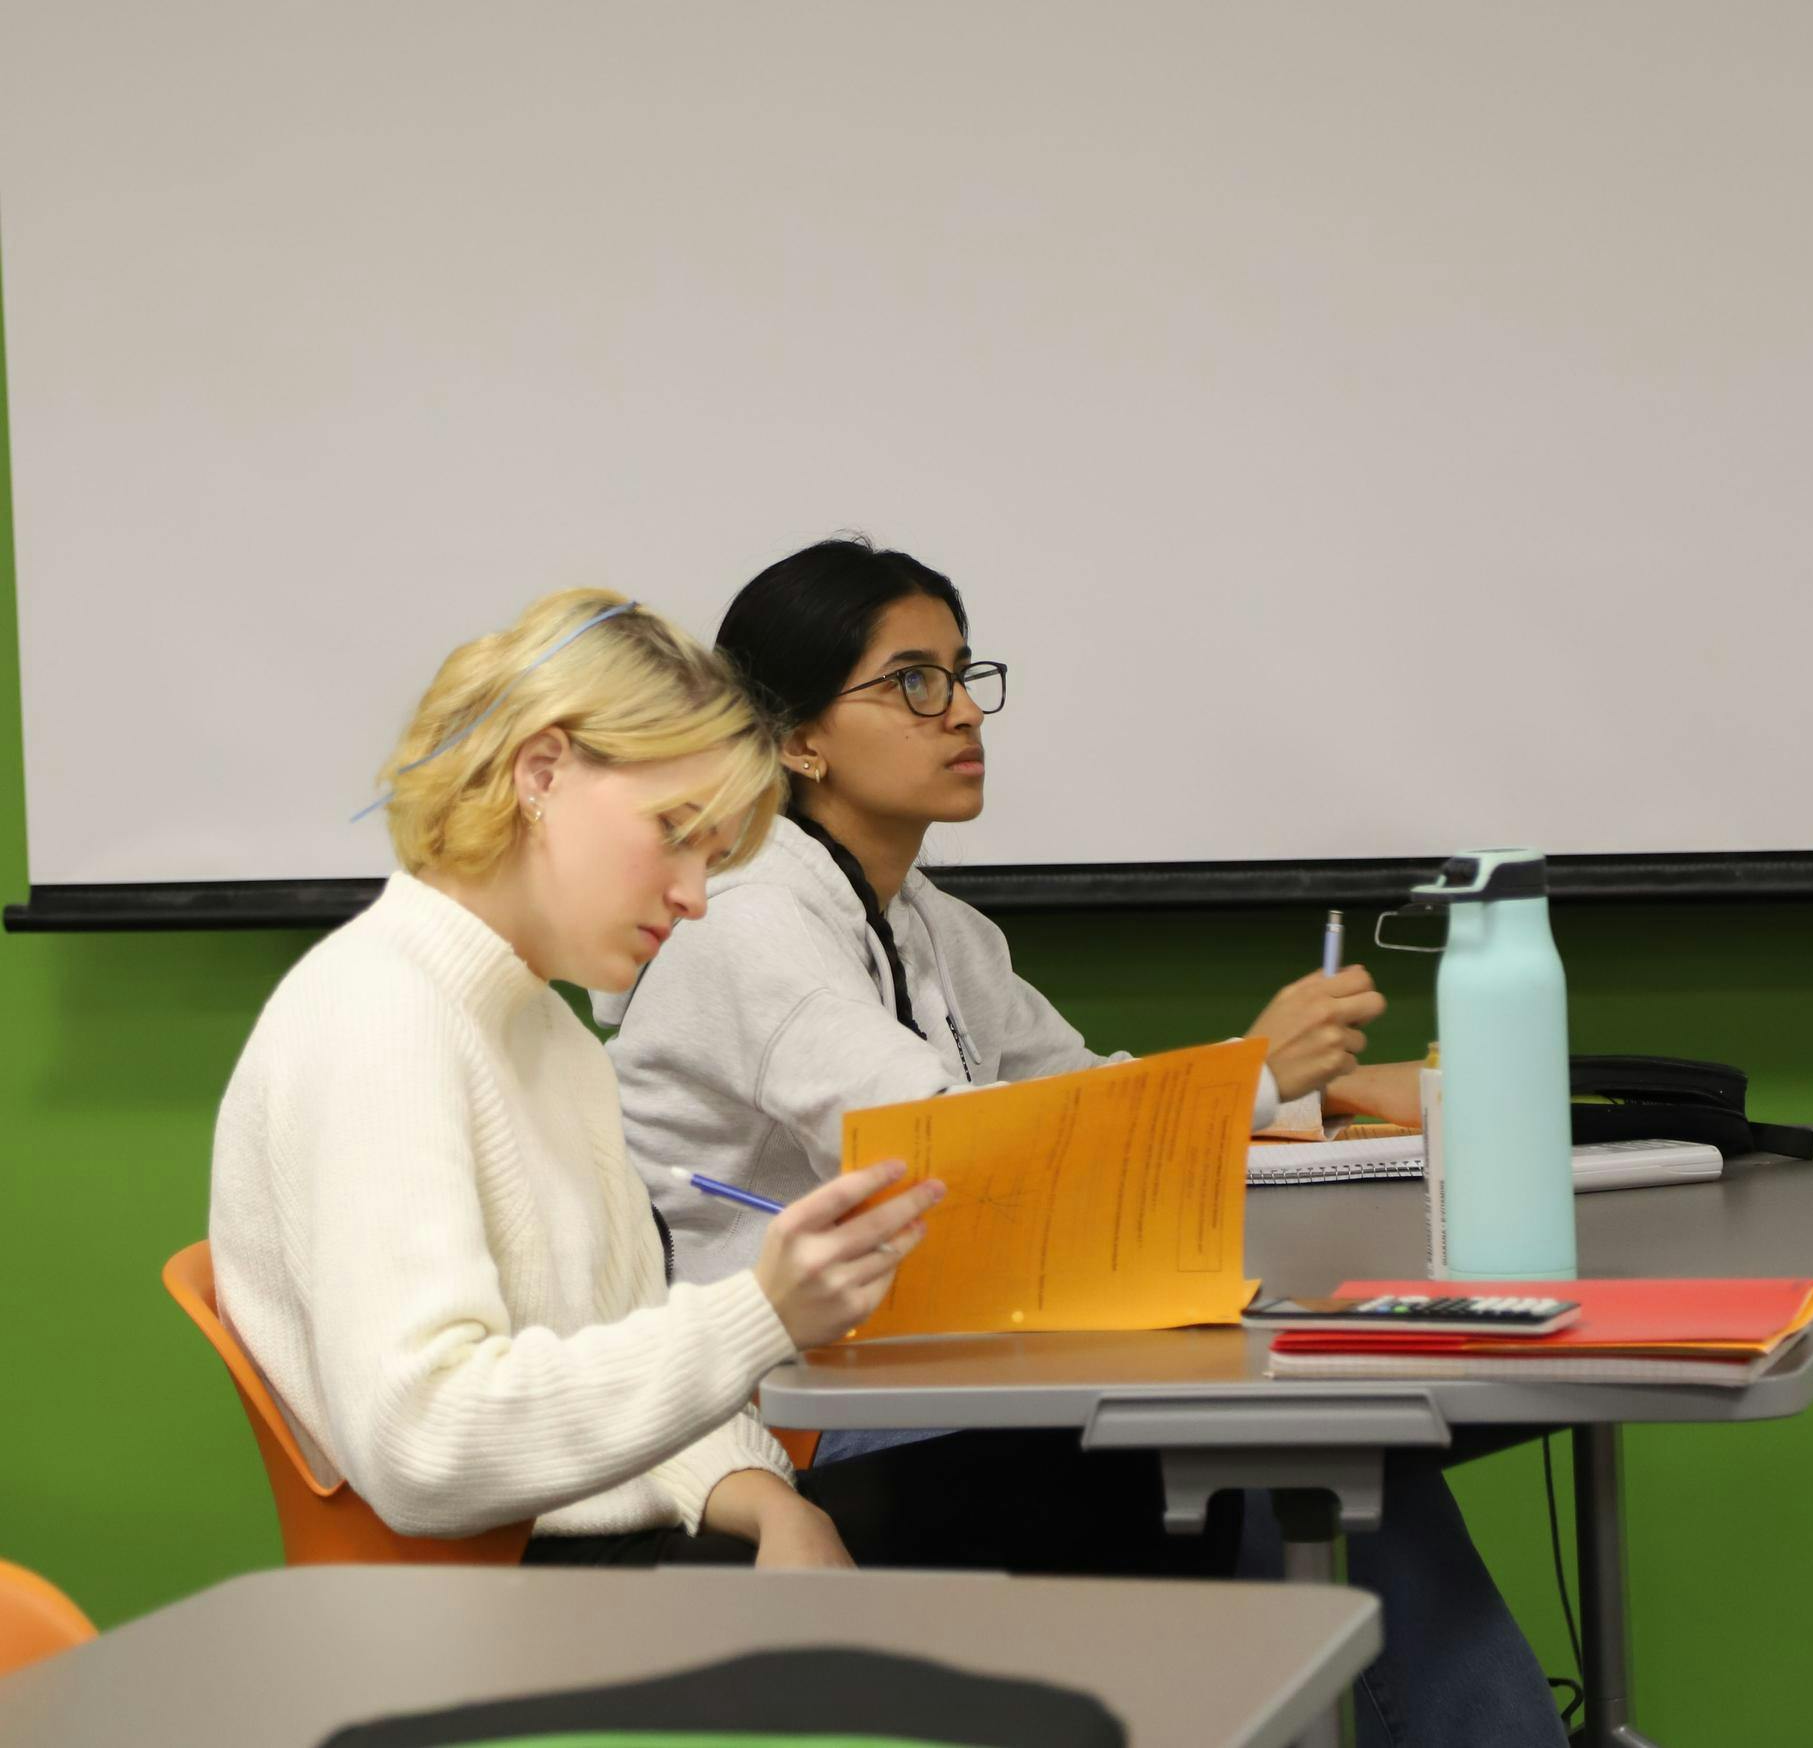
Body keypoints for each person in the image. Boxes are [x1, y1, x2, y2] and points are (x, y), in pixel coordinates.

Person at [601, 541, 1567, 1745]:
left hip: (940, 1355)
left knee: (1332, 1456)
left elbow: (1084, 1090)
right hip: (795, 1411)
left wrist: (1334, 1092)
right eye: (911, 683)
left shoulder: (928, 921)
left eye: (962, 674)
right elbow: (956, 1147)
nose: (960, 712)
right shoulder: (751, 924)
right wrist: (1251, 1075)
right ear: (797, 738)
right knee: (1302, 1458)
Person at [209, 588, 941, 1568]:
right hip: (493, 1600)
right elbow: (425, 1447)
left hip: (591, 1559)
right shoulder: (376, 1016)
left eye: (714, 855)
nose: (692, 896)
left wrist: (776, 1509)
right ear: (541, 772)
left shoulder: (548, 1038)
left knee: (1047, 1501)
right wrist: (757, 1313)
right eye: (674, 829)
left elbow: (630, 1366)